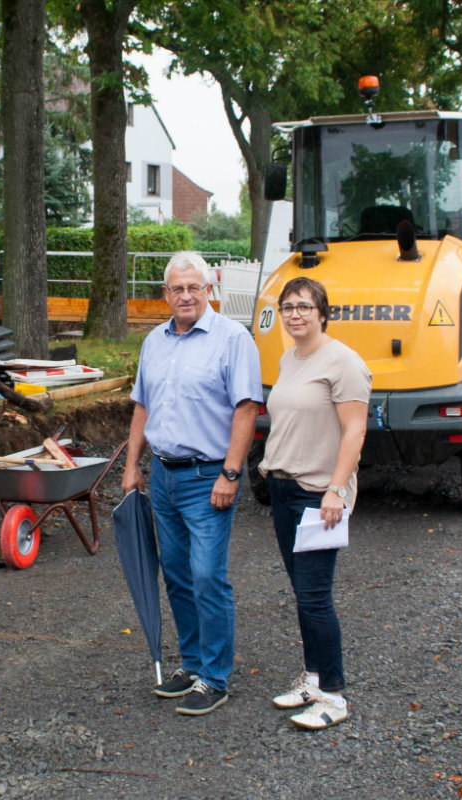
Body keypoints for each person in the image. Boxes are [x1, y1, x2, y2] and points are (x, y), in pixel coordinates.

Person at [121, 251, 262, 716]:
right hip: (162, 475)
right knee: (179, 576)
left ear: (209, 290)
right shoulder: (154, 342)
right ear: (166, 294)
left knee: (207, 576)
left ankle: (216, 678)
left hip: (208, 478)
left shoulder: (232, 339)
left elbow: (246, 408)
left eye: (194, 287)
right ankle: (193, 663)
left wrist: (231, 472)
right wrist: (132, 466)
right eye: (177, 288)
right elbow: (142, 405)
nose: (185, 295)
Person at [258, 276, 370, 730]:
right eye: (288, 307)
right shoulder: (289, 358)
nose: (295, 314)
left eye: (304, 306)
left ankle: (335, 696)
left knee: (316, 597)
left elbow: (355, 432)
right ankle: (313, 678)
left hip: (317, 494)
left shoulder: (343, 362)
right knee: (303, 595)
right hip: (284, 489)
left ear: (323, 313)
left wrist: (335, 491)